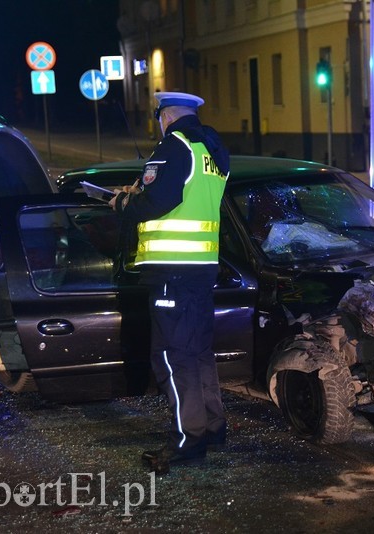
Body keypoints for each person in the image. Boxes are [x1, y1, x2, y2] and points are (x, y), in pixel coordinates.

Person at [109, 91, 231, 474]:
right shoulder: (211, 148)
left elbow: (156, 201)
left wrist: (124, 203)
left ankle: (187, 440)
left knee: (172, 357)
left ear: (166, 116)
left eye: (159, 117)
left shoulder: (174, 145)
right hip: (200, 267)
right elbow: (184, 197)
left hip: (172, 270)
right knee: (197, 353)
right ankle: (212, 426)